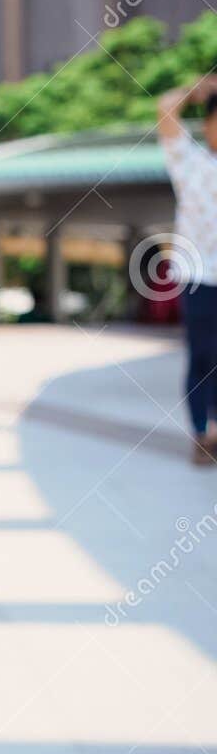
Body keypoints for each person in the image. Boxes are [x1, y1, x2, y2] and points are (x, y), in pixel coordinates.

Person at [156, 75, 217, 466]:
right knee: (202, 355)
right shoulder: (189, 161)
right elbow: (164, 110)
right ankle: (201, 433)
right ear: (208, 125)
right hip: (197, 276)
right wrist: (195, 92)